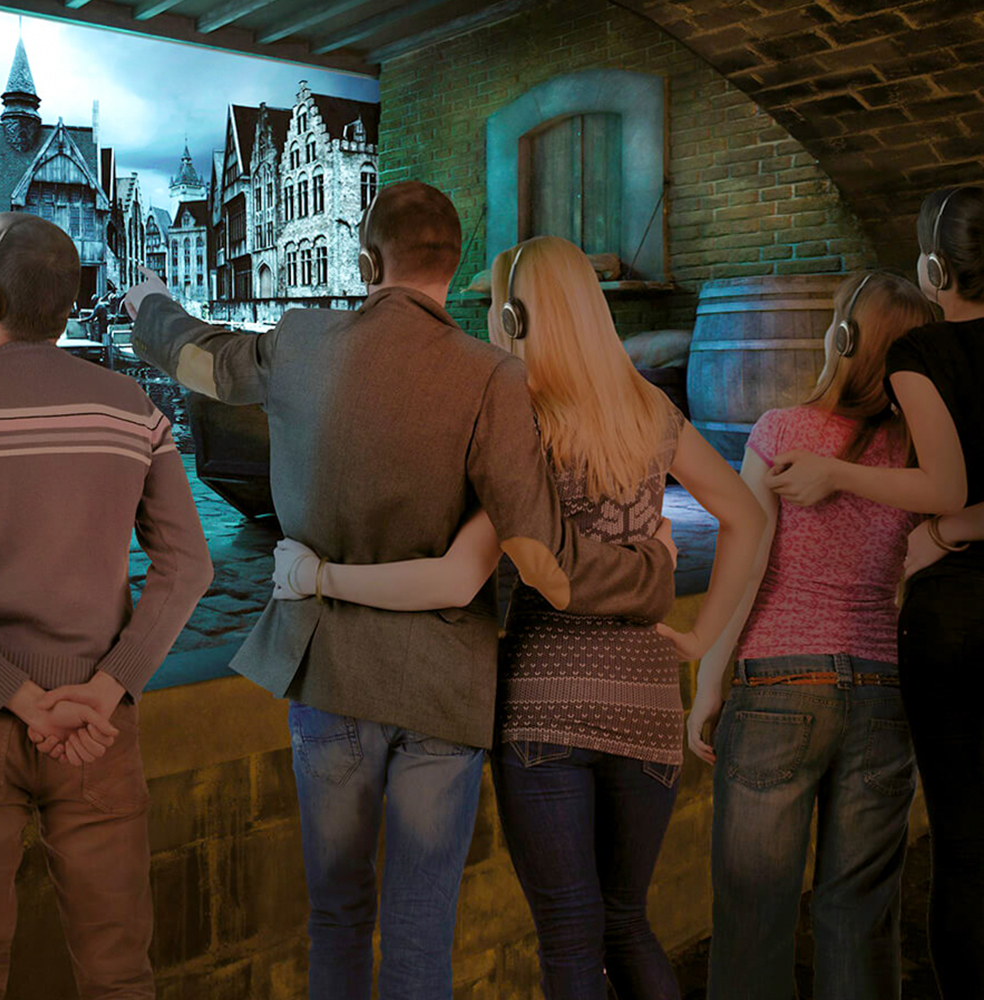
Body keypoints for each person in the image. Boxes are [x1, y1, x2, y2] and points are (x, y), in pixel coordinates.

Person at [124, 183, 679, 1000]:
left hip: (331, 674)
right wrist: (650, 575)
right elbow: (545, 562)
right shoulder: (492, 378)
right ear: (451, 271)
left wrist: (151, 307)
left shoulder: (301, 340)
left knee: (338, 921)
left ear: (365, 260)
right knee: (421, 942)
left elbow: (197, 359)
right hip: (440, 695)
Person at [269, 235, 764, 1000]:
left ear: (513, 317)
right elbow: (747, 518)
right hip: (647, 711)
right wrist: (702, 639)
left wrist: (319, 574)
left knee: (570, 939)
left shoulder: (521, 424)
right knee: (628, 924)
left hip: (544, 710)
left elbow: (458, 574)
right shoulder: (651, 413)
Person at [0, 212, 214, 999]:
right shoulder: (135, 411)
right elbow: (188, 566)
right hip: (99, 722)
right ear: (70, 306)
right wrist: (106, 688)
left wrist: (21, 701)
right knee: (117, 970)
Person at [683, 271, 934, 1000]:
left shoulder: (781, 431)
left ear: (842, 338)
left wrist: (708, 682)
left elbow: (748, 563)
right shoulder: (918, 462)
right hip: (885, 691)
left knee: (752, 923)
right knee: (860, 920)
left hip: (778, 689)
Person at [768, 185, 984, 997]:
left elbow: (945, 483)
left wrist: (837, 474)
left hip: (955, 621)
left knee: (962, 843)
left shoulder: (923, 360)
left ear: (935, 270)